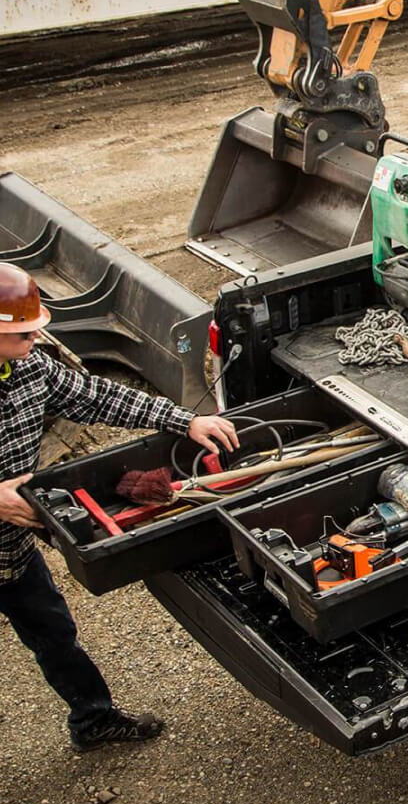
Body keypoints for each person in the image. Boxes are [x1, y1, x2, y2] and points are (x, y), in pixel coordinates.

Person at [0, 262, 238, 752]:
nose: (34, 337)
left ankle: (93, 720)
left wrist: (182, 421)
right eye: (22, 331)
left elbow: (98, 398)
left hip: (11, 555)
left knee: (54, 633)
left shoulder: (30, 367)